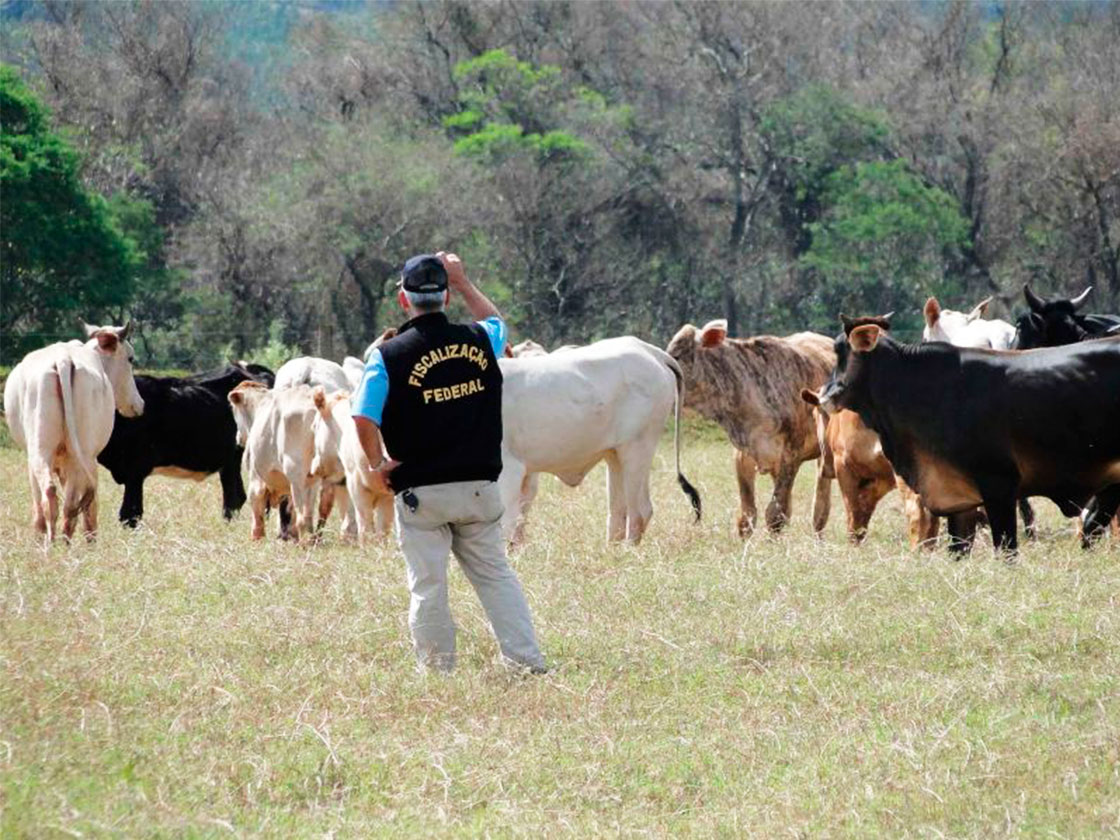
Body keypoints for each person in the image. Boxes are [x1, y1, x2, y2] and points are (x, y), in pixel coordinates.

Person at [351, 251, 546, 674]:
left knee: (428, 586)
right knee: (496, 577)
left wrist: (376, 463)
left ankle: (438, 673)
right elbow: (498, 324)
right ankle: (526, 663)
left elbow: (363, 415)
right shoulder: (480, 339)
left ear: (404, 301)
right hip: (479, 486)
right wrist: (463, 281)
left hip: (421, 492)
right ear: (446, 298)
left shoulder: (387, 356)